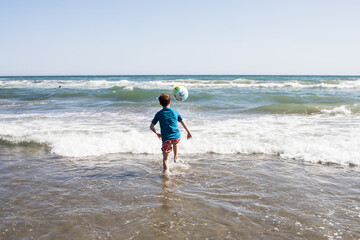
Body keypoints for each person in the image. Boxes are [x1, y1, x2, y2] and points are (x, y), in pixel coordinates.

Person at [150, 93, 192, 173]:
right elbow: (183, 122)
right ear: (170, 102)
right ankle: (176, 157)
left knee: (165, 159)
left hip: (166, 139)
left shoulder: (159, 114)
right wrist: (188, 132)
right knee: (175, 143)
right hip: (177, 137)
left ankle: (166, 173)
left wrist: (157, 133)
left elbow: (151, 126)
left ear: (160, 103)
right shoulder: (175, 112)